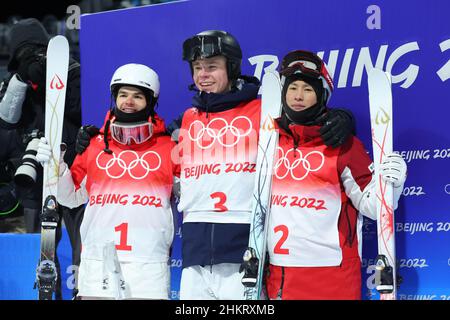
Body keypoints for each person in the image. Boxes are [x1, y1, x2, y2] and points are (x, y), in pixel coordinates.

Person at [75, 30, 355, 300]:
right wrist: (97, 135)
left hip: (242, 247)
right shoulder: (188, 118)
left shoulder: (263, 110)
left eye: (212, 66)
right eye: (197, 68)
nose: (203, 75)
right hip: (195, 249)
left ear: (231, 68)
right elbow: (147, 138)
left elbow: (304, 117)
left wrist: (342, 117)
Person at [265, 50, 407, 300]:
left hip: (333, 278)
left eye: (308, 90)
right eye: (292, 88)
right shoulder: (268, 143)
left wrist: (391, 185)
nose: (298, 96)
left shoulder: (344, 145)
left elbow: (372, 206)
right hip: (280, 277)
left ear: (322, 95)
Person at [37, 63, 179, 299]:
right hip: (96, 262)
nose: (129, 102)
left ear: (151, 101)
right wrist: (55, 166)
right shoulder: (94, 145)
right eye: (123, 95)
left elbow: (193, 193)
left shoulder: (169, 147)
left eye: (137, 96)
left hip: (149, 265)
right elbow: (69, 198)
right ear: (114, 98)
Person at [1, 18, 84, 298]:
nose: (32, 60)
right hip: (35, 176)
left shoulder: (73, 73)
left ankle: (83, 290)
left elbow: (81, 111)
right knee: (43, 245)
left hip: (72, 171)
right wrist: (21, 81)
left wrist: (55, 78)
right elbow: (6, 123)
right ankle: (48, 292)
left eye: (36, 52)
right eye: (24, 56)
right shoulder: (16, 85)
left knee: (81, 242)